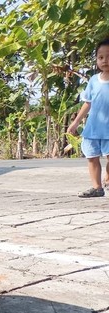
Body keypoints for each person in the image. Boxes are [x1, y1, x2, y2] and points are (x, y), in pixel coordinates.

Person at [67, 38, 109, 198]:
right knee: (92, 158)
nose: (105, 60)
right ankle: (97, 188)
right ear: (97, 59)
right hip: (93, 129)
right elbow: (87, 103)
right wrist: (76, 122)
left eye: (108, 56)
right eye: (101, 57)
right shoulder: (93, 80)